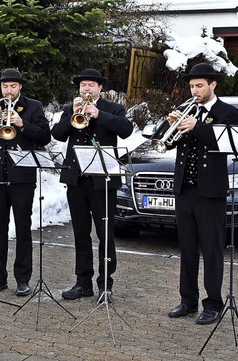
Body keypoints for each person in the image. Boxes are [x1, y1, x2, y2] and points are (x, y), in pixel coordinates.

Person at [165, 63, 238, 324]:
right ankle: (188, 300)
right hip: (185, 189)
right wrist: (172, 127)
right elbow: (169, 143)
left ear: (212, 85)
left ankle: (213, 303)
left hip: (211, 193)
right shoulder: (188, 110)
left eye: (199, 86)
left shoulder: (228, 112)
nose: (194, 91)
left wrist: (195, 126)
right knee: (187, 248)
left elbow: (222, 141)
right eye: (191, 86)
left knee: (212, 249)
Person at [51, 69, 133, 303]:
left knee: (105, 234)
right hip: (76, 180)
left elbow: (126, 131)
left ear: (100, 89)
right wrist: (72, 116)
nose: (86, 89)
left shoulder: (112, 109)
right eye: (83, 85)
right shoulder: (71, 109)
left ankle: (105, 285)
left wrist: (97, 114)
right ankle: (82, 282)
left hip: (103, 181)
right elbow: (57, 134)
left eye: (91, 85)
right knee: (80, 233)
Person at [0, 68, 51, 297]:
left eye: (13, 87)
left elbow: (45, 136)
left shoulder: (33, 106)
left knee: (23, 229)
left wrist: (22, 123)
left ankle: (23, 279)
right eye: (5, 87)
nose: (8, 90)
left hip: (22, 178)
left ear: (20, 87)